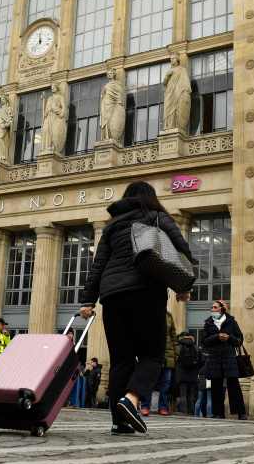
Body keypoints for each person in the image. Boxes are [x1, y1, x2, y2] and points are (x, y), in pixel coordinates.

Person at [79, 181, 194, 435]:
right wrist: (184, 284)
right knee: (153, 355)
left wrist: (88, 300)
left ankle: (119, 423)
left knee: (121, 360)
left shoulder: (112, 227)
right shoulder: (156, 217)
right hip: (146, 293)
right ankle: (131, 400)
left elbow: (98, 266)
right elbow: (180, 248)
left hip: (112, 297)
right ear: (150, 198)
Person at [201, 300, 247, 420]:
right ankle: (218, 413)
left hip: (229, 357)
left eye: (215, 307)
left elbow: (239, 340)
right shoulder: (208, 323)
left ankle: (241, 412)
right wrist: (217, 336)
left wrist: (229, 337)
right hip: (214, 358)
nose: (212, 309)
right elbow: (204, 341)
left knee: (234, 385)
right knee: (216, 386)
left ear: (222, 309)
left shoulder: (231, 322)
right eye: (212, 307)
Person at [141, 312, 179, 417]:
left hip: (168, 355)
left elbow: (174, 336)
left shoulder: (169, 315)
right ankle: (145, 406)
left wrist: (177, 353)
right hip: (152, 353)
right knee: (149, 382)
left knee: (165, 385)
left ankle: (163, 407)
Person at [175, 333, 201, 415]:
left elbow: (176, 360)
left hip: (182, 375)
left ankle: (183, 411)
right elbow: (199, 361)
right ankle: (191, 412)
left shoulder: (178, 347)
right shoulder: (196, 348)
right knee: (191, 395)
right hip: (193, 375)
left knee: (183, 394)